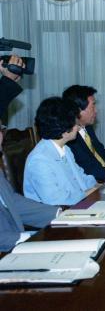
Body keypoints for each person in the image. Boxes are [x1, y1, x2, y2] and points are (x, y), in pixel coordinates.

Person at [0, 60, 59, 252]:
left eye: (1, 129)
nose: (2, 135)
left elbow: (11, 202)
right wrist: (27, 239)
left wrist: (60, 213)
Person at [23, 97, 97, 205]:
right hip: (57, 215)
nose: (79, 128)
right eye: (76, 124)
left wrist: (99, 187)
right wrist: (88, 193)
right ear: (63, 128)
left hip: (78, 205)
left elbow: (82, 178)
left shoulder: (65, 149)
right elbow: (56, 200)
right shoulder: (39, 159)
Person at [62, 85, 105, 182]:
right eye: (93, 106)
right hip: (95, 184)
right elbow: (87, 168)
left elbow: (102, 153)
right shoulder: (69, 136)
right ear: (78, 110)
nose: (96, 111)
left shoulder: (87, 127)